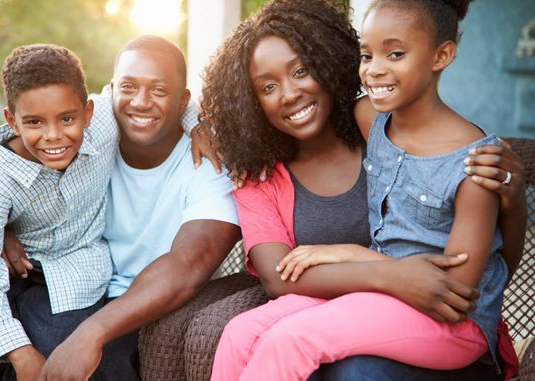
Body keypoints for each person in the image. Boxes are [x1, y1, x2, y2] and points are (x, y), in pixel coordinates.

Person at [197, 0, 526, 380]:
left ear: (442, 55)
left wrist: (514, 203)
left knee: (291, 340)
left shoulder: (469, 161)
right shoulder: (377, 122)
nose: (375, 70)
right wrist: (205, 125)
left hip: (449, 319)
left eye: (395, 53)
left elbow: (457, 292)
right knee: (241, 333)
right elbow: (278, 277)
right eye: (367, 56)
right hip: (384, 297)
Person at [30, 35, 241, 380]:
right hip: (82, 285)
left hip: (152, 303)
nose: (141, 102)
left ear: (183, 100)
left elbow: (190, 261)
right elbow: (25, 135)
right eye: (129, 87)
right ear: (112, 91)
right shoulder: (85, 135)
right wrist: (4, 227)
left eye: (159, 90)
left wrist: (91, 333)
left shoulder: (209, 161)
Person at [0, 44, 116, 380]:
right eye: (34, 122)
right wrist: (18, 352)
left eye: (67, 119)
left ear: (88, 113)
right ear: (11, 121)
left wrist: (195, 124)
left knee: (54, 344)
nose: (53, 135)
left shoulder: (105, 122)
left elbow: (149, 94)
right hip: (17, 269)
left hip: (77, 270)